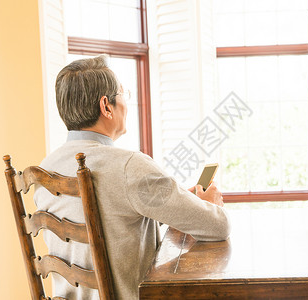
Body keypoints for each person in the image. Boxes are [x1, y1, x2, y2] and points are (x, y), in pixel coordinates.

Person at [34, 55, 230, 299]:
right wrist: (206, 206)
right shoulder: (129, 167)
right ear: (106, 106)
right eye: (123, 93)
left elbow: (110, 220)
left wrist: (179, 205)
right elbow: (218, 226)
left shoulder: (44, 170)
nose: (126, 102)